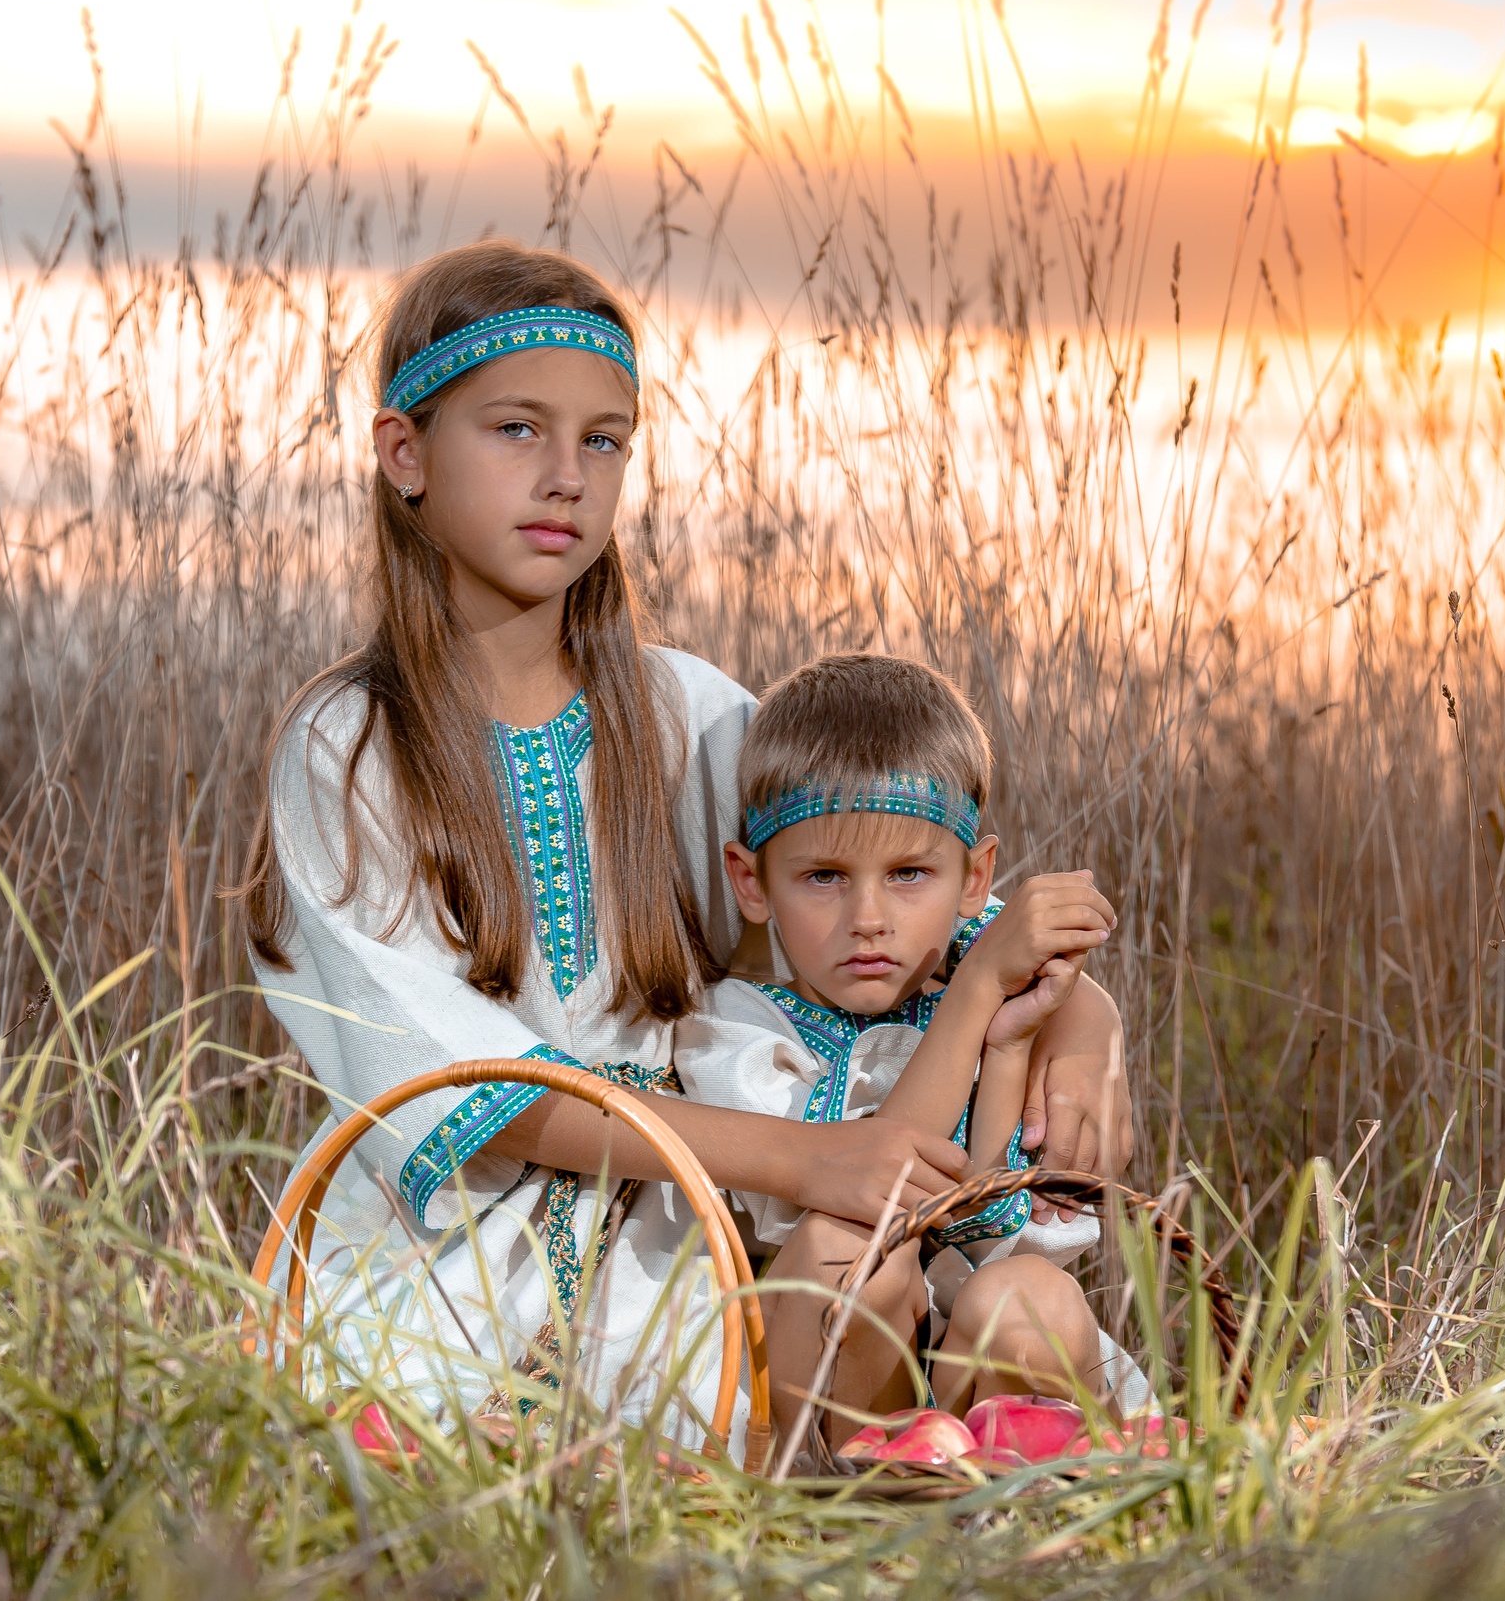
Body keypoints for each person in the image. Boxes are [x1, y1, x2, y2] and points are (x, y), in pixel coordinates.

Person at [238, 240, 1131, 1457]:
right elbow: (457, 1083)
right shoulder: (347, 750)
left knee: (818, 1352)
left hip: (686, 1233)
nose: (564, 476)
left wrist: (1087, 1030)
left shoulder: (693, 713)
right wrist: (810, 1158)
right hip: (450, 1239)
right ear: (405, 454)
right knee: (427, 1452)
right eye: (515, 429)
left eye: (604, 440)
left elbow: (900, 909)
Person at [676, 654, 1147, 1466]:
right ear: (751, 882)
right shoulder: (736, 1030)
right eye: (824, 876)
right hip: (832, 1390)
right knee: (849, 1260)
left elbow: (986, 1217)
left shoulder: (989, 996)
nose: (869, 918)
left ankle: (1016, 1501)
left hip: (960, 1361)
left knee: (1030, 1295)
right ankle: (862, 1511)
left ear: (976, 878)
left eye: (909, 874)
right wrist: (973, 996)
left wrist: (1008, 1046)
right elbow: (877, 1194)